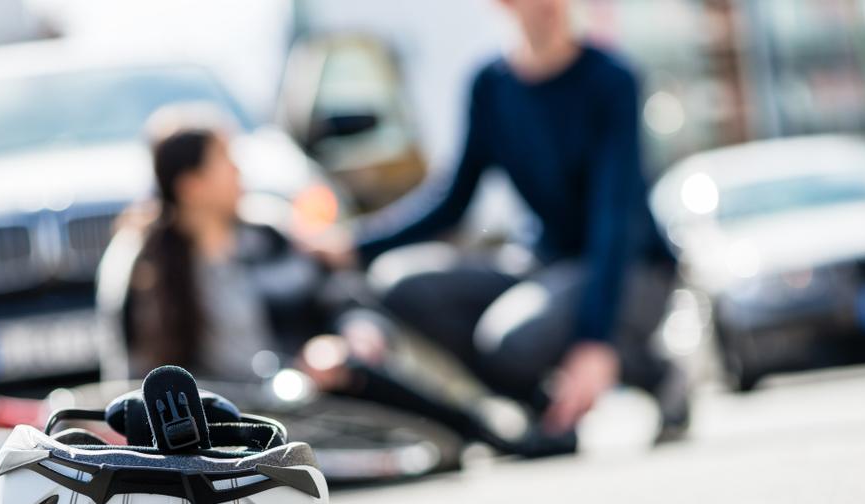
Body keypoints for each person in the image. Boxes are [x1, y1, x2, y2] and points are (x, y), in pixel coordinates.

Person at [304, 0, 687, 440]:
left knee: (515, 339)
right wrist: (354, 244)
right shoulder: (491, 86)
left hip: (632, 269)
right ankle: (539, 410)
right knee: (400, 284)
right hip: (543, 262)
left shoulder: (611, 79)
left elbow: (613, 219)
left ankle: (654, 372)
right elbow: (453, 201)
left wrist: (594, 342)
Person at [95, 106, 544, 457]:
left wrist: (351, 333)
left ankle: (483, 428)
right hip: (211, 419)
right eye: (226, 161)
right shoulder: (140, 266)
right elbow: (134, 380)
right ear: (192, 184)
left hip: (301, 392)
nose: (239, 172)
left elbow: (341, 298)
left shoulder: (268, 235)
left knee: (359, 370)